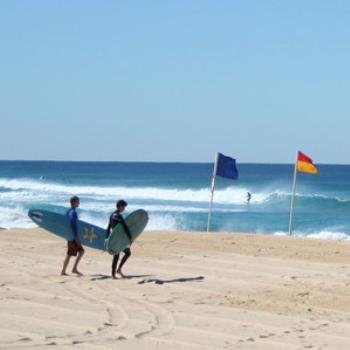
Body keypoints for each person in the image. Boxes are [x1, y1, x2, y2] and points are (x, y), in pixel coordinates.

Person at [105, 200, 133, 279]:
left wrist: (107, 238)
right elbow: (125, 227)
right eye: (123, 207)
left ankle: (116, 272)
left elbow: (108, 228)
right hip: (119, 239)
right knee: (122, 254)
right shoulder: (118, 216)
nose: (124, 208)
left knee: (122, 254)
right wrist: (130, 238)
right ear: (120, 206)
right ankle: (115, 273)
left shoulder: (112, 215)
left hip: (114, 238)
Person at [61, 196, 85, 276]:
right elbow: (73, 224)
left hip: (70, 236)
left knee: (72, 253)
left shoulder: (68, 211)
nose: (79, 203)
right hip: (73, 237)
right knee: (77, 252)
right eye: (78, 201)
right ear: (74, 202)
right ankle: (70, 270)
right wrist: (76, 237)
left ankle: (65, 270)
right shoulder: (72, 212)